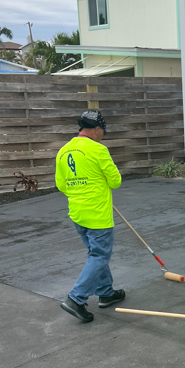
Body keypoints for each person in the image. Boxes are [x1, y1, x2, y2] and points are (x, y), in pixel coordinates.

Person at [55, 109, 125, 323]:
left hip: (77, 213)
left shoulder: (63, 151)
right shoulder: (98, 150)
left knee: (96, 253)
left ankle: (106, 293)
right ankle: (76, 298)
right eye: (102, 131)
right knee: (99, 256)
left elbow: (61, 184)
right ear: (96, 129)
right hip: (97, 215)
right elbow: (115, 181)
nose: (102, 135)